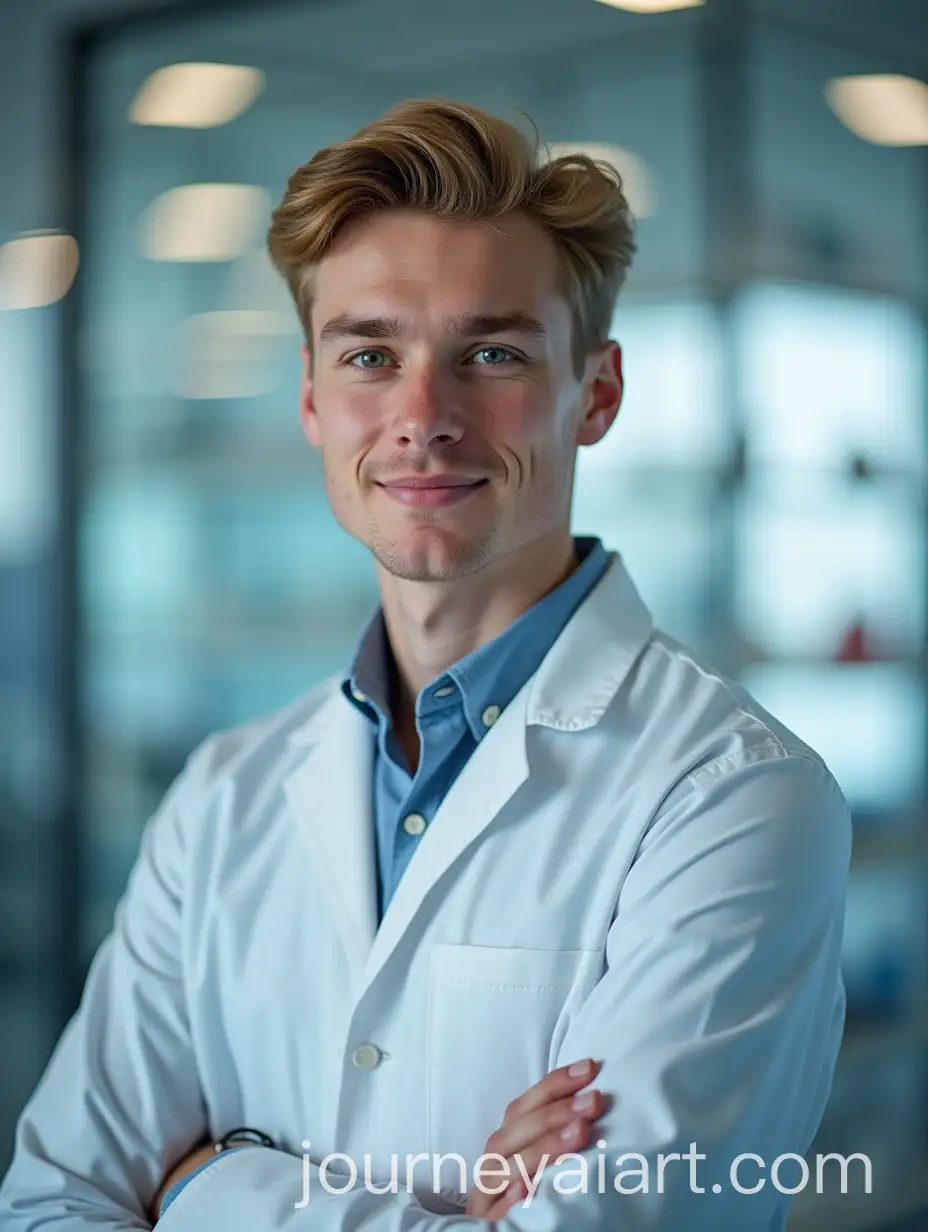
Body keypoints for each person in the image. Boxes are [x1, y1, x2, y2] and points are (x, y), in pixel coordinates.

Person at [0, 98, 851, 1231]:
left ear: (594, 391)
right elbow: (51, 1201)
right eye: (369, 353)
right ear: (311, 395)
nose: (421, 415)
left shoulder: (735, 798)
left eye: (490, 352)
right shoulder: (224, 793)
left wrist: (211, 1187)